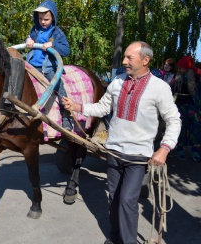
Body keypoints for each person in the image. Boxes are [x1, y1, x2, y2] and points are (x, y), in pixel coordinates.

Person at [62, 41, 181, 244]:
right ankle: (115, 237)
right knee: (114, 199)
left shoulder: (159, 88)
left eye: (129, 58)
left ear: (145, 60)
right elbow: (102, 108)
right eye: (125, 57)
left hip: (138, 156)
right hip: (114, 152)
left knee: (127, 200)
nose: (124, 61)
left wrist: (164, 148)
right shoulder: (117, 82)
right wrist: (78, 106)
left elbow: (174, 119)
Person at [25, 0, 72, 129]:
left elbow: (66, 50)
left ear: (53, 18)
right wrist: (28, 39)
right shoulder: (35, 29)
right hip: (31, 66)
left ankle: (67, 118)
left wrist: (53, 44)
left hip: (48, 68)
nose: (43, 22)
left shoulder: (57, 33)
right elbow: (30, 39)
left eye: (46, 19)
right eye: (40, 19)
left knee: (60, 89)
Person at [173, 56, 200, 161]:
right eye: (179, 67)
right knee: (181, 126)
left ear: (187, 68)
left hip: (193, 105)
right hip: (179, 104)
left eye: (182, 68)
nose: (180, 70)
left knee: (195, 127)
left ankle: (195, 149)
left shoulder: (196, 77)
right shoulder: (176, 77)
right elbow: (171, 90)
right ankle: (180, 148)